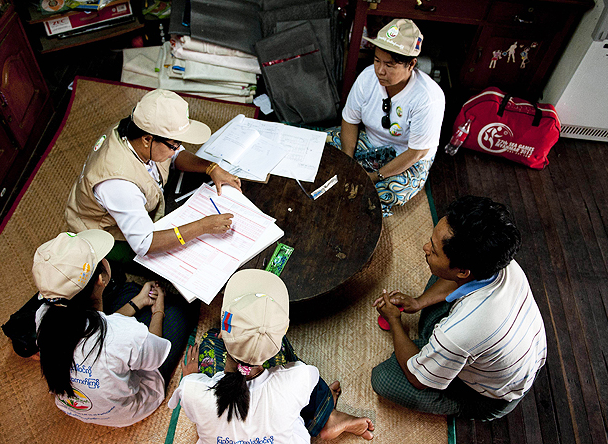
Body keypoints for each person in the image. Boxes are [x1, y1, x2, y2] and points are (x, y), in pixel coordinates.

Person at [371, 196, 547, 421]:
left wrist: (395, 322)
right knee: (439, 279)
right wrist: (418, 302)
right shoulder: (500, 263)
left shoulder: (458, 333)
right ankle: (437, 355)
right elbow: (457, 281)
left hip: (493, 398)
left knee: (384, 379)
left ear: (464, 271)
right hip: (519, 360)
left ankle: (460, 404)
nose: (425, 248)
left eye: (433, 250)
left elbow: (417, 379)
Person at [168, 269, 375, 442]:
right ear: (277, 345)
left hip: (209, 388)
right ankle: (326, 415)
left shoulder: (193, 391)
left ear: (225, 332)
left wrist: (191, 378)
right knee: (299, 387)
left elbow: (196, 403)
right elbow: (298, 378)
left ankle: (328, 417)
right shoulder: (298, 377)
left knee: (208, 339)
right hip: (287, 391)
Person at [32, 230, 193, 427]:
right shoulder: (123, 334)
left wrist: (138, 302)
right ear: (101, 279)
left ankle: (137, 299)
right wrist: (158, 310)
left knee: (130, 293)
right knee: (181, 307)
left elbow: (99, 328)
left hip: (73, 405)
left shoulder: (43, 315)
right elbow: (155, 356)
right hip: (127, 410)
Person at [65, 89, 242, 266]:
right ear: (147, 140)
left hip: (138, 197)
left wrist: (211, 168)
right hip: (107, 234)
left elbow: (175, 155)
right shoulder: (118, 185)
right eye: (174, 144)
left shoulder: (136, 130)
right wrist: (202, 227)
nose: (178, 148)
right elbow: (145, 244)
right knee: (182, 258)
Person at [328, 19, 445, 216]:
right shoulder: (367, 78)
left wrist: (374, 176)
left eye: (390, 65)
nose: (380, 71)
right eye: (377, 61)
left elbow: (415, 153)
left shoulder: (428, 98)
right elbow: (350, 120)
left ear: (411, 64)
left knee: (389, 191)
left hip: (405, 156)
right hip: (370, 140)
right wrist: (348, 163)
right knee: (321, 148)